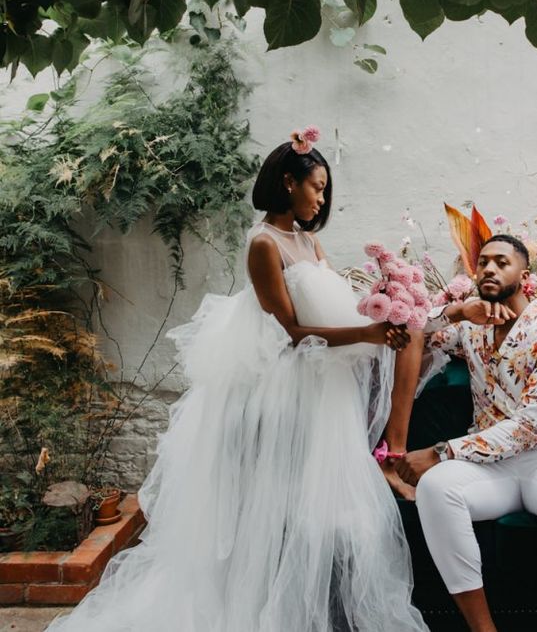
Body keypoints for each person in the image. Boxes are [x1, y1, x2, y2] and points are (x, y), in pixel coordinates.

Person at [47, 128, 428, 632]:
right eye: (317, 187)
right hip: (285, 388)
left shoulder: (310, 241)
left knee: (324, 509)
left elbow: (336, 306)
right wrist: (370, 331)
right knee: (280, 506)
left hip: (321, 389)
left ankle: (319, 608)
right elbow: (291, 331)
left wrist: (387, 308)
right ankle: (265, 608)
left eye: (325, 189)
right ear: (288, 183)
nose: (322, 198)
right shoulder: (264, 244)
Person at [395, 234, 537, 632]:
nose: (489, 269)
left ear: (524, 275)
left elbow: (528, 428)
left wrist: (442, 451)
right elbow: (416, 328)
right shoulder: (472, 328)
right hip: (488, 468)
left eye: (501, 262)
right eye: (483, 263)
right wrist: (460, 311)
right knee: (435, 488)